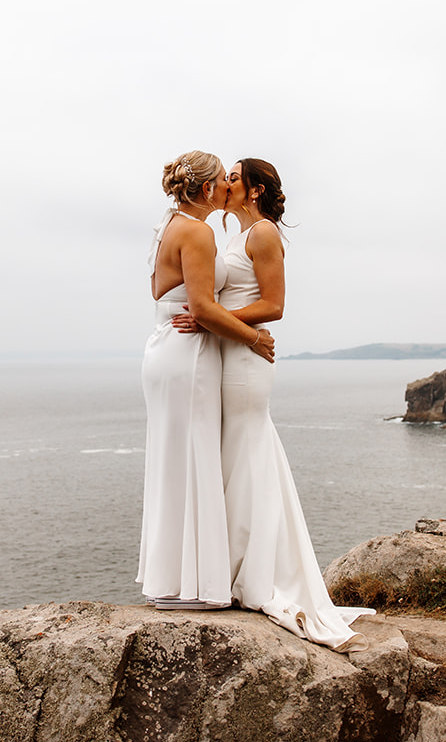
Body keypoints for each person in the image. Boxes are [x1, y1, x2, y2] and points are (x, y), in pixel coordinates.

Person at [176, 158, 372, 651]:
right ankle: (237, 568)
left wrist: (212, 318)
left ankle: (257, 575)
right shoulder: (231, 236)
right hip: (230, 350)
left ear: (256, 189)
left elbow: (275, 305)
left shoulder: (263, 234)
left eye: (235, 178)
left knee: (247, 451)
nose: (226, 184)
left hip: (245, 360)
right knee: (235, 456)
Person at [140, 151, 276, 611]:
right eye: (222, 180)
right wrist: (253, 337)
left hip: (165, 347)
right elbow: (200, 309)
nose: (227, 186)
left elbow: (162, 292)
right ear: (205, 190)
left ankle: (174, 580)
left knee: (174, 459)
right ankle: (194, 586)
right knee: (193, 458)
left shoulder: (170, 226)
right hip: (189, 354)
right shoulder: (197, 231)